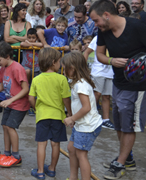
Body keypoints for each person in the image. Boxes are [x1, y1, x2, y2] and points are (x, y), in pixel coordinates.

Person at [89, 0, 146, 179]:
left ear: (107, 15)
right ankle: (127, 159)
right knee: (119, 122)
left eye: (96, 20)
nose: (95, 25)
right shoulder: (103, 31)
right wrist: (112, 61)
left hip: (138, 85)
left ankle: (120, 164)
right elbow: (100, 55)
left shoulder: (137, 26)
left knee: (129, 125)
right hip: (118, 81)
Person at [29, 48, 72, 179]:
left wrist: (36, 109)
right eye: (59, 61)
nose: (60, 64)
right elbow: (66, 99)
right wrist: (69, 113)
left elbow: (31, 98)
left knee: (41, 144)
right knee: (55, 144)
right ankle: (52, 169)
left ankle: (41, 171)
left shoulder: (36, 79)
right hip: (58, 116)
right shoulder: (62, 79)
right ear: (54, 62)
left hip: (42, 116)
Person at [62, 52, 103, 180]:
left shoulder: (81, 85)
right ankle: (73, 177)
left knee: (81, 154)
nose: (63, 71)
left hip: (87, 126)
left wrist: (71, 118)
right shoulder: (76, 82)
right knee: (71, 148)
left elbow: (86, 107)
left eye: (65, 68)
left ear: (72, 68)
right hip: (81, 124)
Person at [0, 42, 30, 168]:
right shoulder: (3, 68)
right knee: (5, 126)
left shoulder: (17, 68)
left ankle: (16, 157)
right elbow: (2, 85)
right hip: (9, 103)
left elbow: (25, 89)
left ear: (7, 56)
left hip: (19, 104)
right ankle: (6, 153)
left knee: (11, 127)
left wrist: (10, 100)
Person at [83, 35, 115, 130]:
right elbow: (86, 52)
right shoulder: (98, 38)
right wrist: (84, 69)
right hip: (98, 72)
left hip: (110, 72)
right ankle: (88, 117)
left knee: (106, 96)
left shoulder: (118, 37)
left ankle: (105, 120)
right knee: (96, 94)